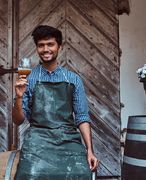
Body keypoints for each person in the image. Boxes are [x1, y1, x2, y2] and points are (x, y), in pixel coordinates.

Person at [12, 25, 99, 180]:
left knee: (81, 173)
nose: (46, 49)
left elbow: (82, 117)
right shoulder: (29, 79)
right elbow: (17, 120)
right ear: (37, 48)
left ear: (60, 46)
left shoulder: (73, 79)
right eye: (41, 45)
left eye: (50, 44)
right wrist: (19, 97)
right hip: (38, 139)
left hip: (68, 139)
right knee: (27, 174)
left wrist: (89, 151)